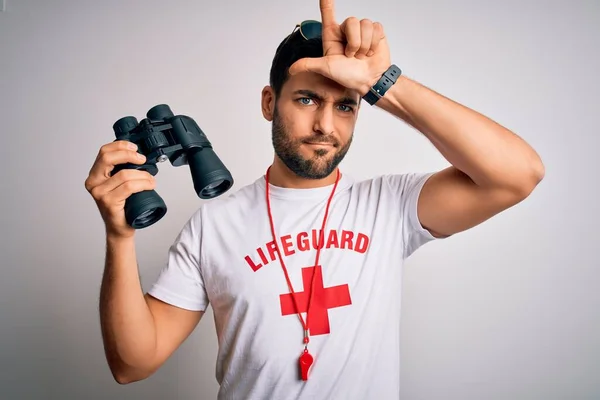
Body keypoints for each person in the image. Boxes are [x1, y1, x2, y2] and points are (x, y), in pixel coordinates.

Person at [84, 1, 545, 398]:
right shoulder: (213, 225)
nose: (327, 125)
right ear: (270, 103)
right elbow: (132, 364)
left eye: (346, 105)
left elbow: (517, 175)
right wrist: (119, 235)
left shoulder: (390, 206)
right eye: (306, 100)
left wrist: (382, 82)